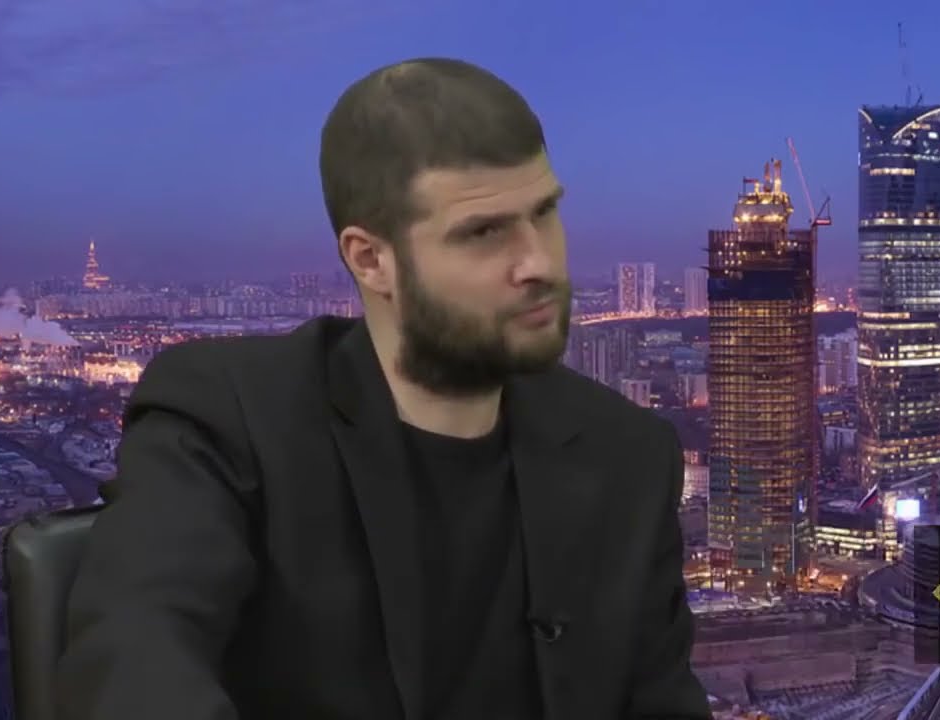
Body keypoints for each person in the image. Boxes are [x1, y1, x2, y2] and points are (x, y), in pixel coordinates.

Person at [55, 57, 710, 720]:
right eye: (484, 232)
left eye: (544, 213)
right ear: (371, 260)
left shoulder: (627, 453)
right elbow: (132, 668)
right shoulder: (228, 418)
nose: (538, 262)